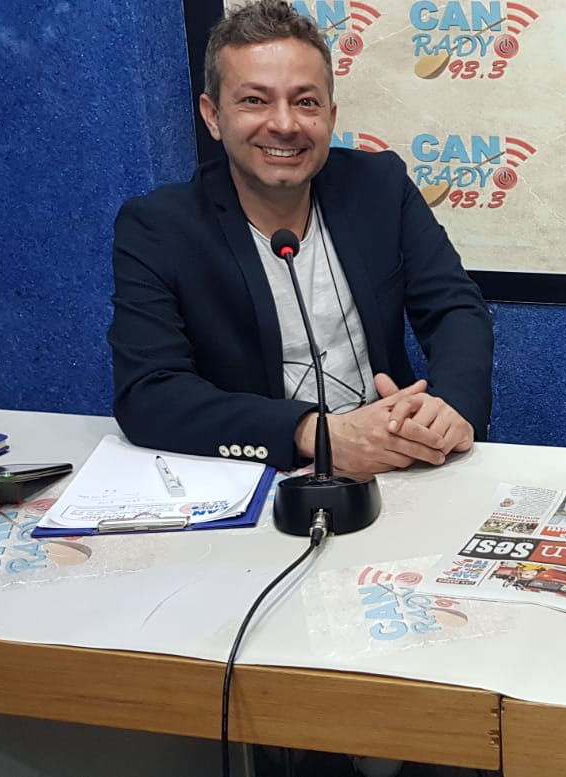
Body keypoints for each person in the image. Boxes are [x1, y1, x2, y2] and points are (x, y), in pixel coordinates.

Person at [108, 0, 492, 479]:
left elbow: (455, 308)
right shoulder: (159, 227)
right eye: (255, 100)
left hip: (396, 458)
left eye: (306, 102)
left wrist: (452, 405)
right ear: (213, 116)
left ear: (330, 115)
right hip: (262, 474)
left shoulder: (380, 186)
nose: (285, 124)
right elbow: (148, 394)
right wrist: (314, 433)